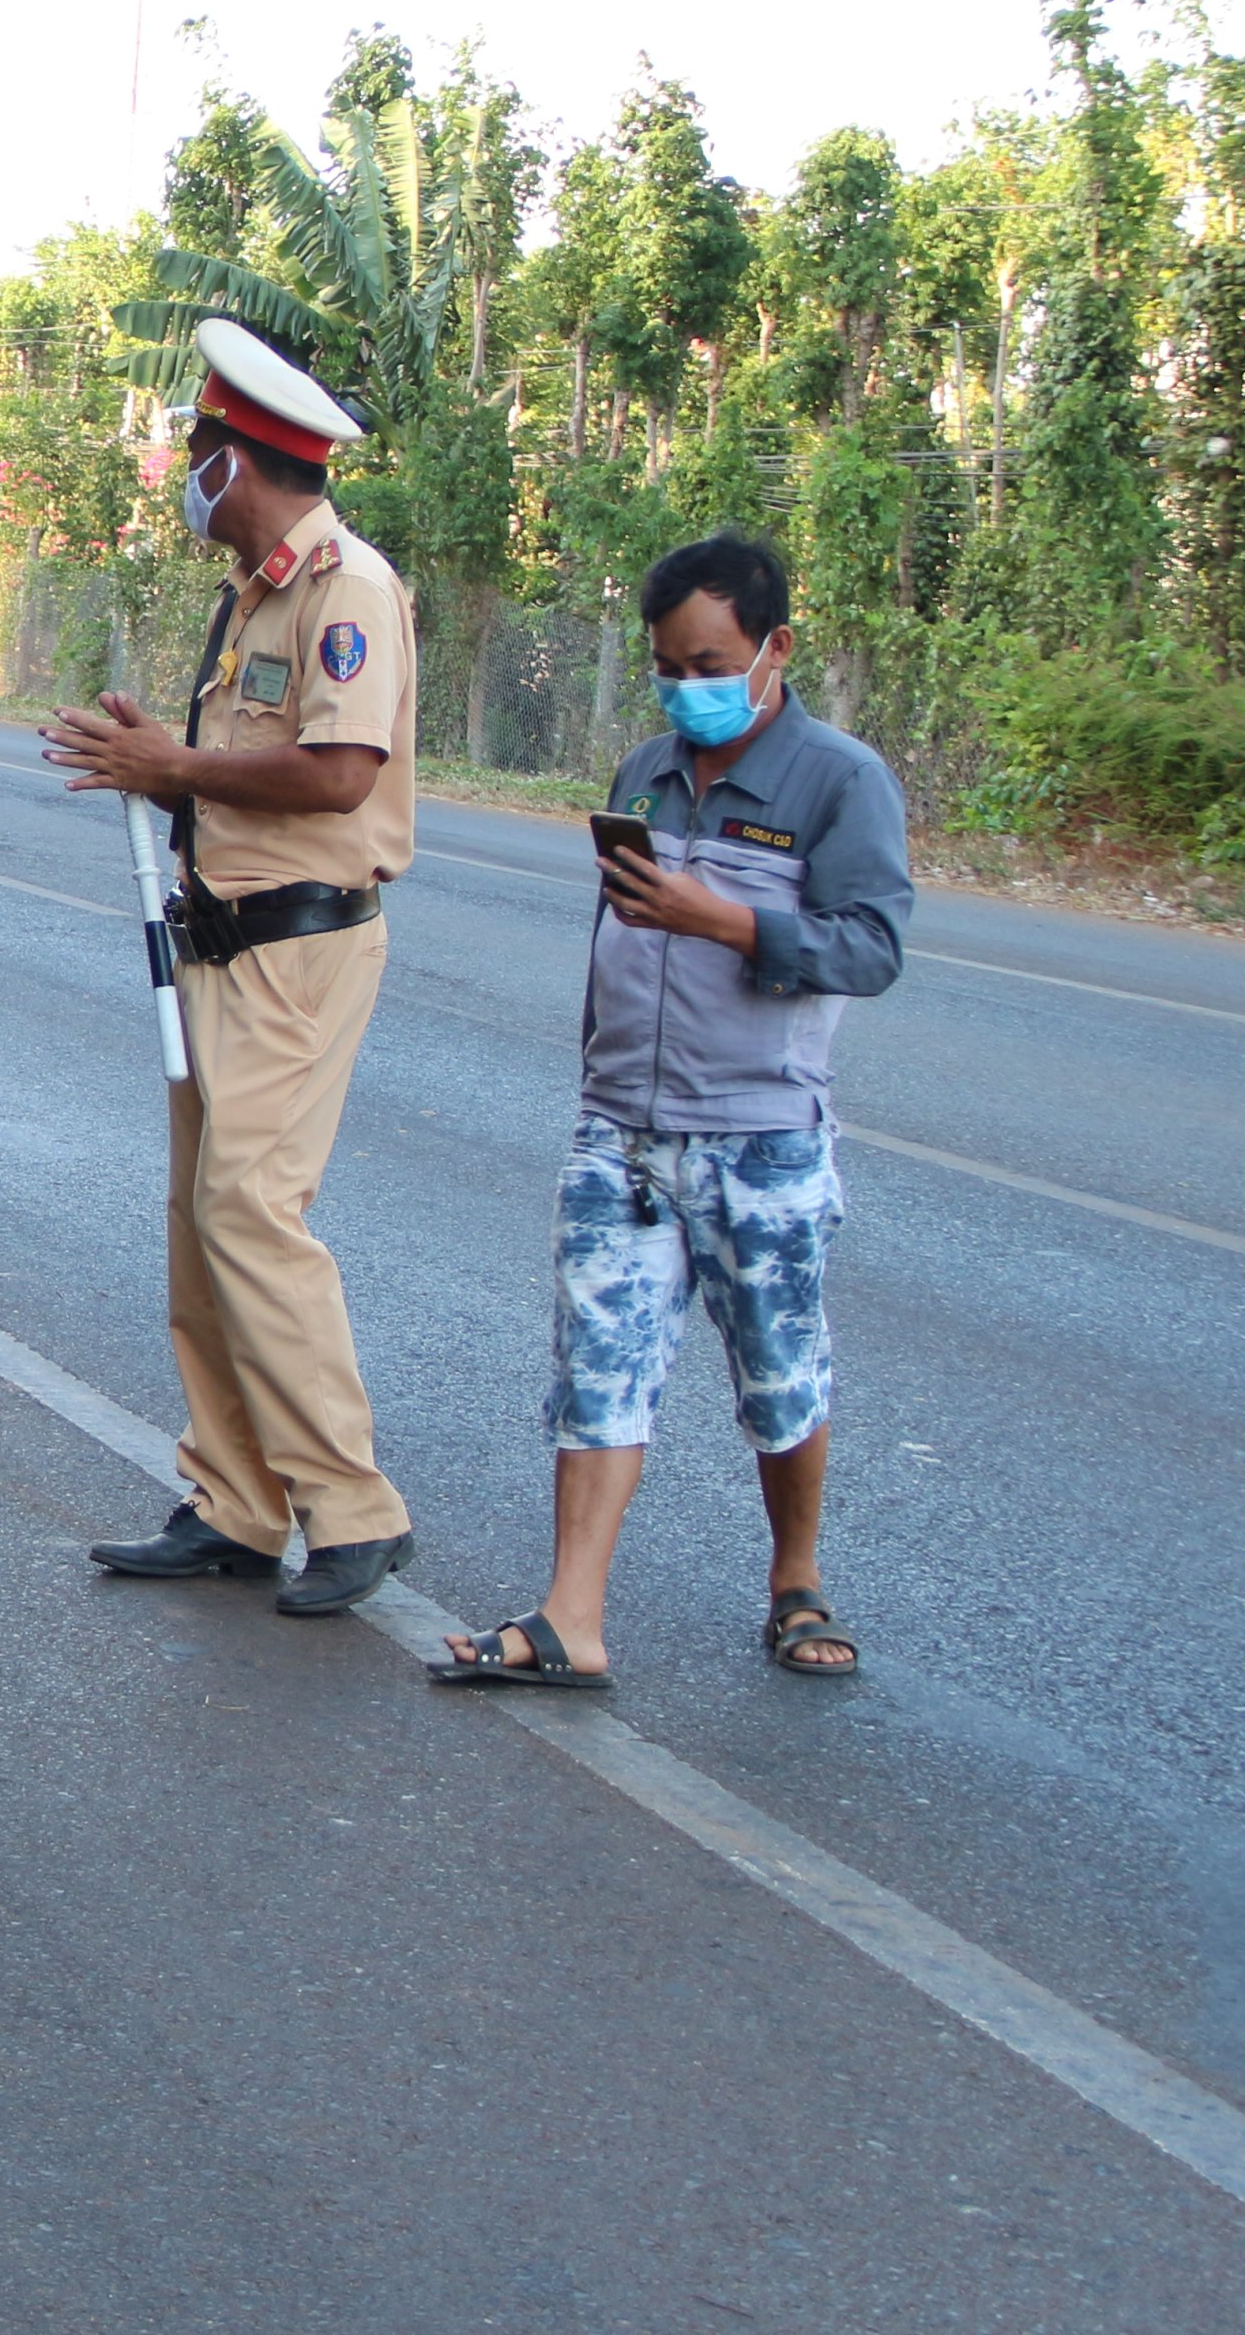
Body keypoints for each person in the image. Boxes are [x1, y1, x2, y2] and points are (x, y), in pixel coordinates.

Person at [431, 534, 911, 1691]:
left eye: (709, 660)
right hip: (622, 1133)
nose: (684, 685)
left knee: (779, 1371)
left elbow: (874, 948)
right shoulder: (645, 770)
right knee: (598, 1366)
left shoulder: (840, 782)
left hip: (762, 1135)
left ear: (774, 649)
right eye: (666, 663)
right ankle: (570, 1619)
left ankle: (795, 1581)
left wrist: (731, 922)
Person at [44, 318, 422, 1619]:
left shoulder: (343, 589)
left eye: (198, 447)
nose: (186, 468)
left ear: (241, 456)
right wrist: (162, 760)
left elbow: (336, 772)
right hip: (216, 942)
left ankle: (351, 1505)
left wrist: (176, 771)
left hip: (297, 950)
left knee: (250, 1212)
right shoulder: (254, 588)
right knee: (196, 1227)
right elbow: (235, 772)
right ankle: (236, 1502)